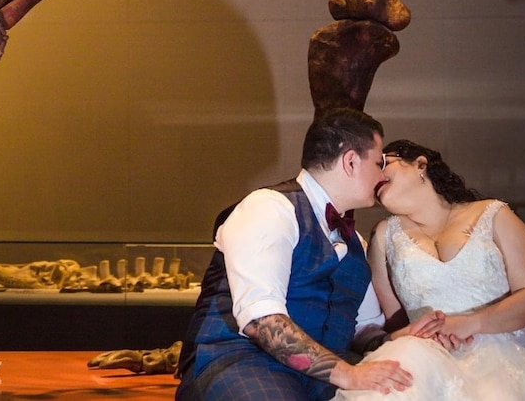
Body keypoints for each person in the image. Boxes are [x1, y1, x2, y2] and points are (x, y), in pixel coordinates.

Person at [176, 108, 441, 400]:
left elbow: (364, 329)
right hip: (242, 362)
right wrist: (348, 373)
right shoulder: (269, 208)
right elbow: (261, 321)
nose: (382, 175)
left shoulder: (357, 245)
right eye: (379, 163)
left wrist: (402, 338)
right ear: (351, 161)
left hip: (325, 374)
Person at [332, 138, 525, 400]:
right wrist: (417, 334)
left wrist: (467, 324)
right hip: (423, 357)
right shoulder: (384, 236)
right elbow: (392, 320)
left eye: (384, 162)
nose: (377, 173)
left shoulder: (493, 214)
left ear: (420, 164)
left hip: (502, 355)